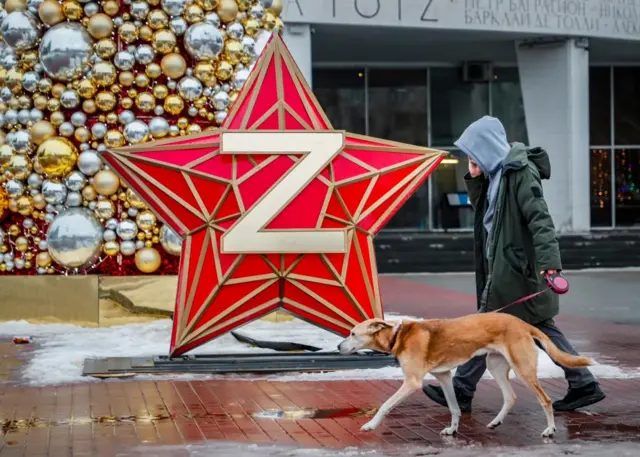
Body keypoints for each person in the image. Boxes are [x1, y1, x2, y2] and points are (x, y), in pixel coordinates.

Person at [422, 116, 605, 413]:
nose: (470, 157)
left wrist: (550, 264)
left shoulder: (520, 172)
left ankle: (461, 390)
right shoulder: (497, 174)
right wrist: (475, 177)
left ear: (487, 146)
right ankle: (583, 383)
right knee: (535, 327)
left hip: (517, 270)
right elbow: (486, 217)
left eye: (473, 151)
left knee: (484, 326)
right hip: (506, 268)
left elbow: (540, 219)